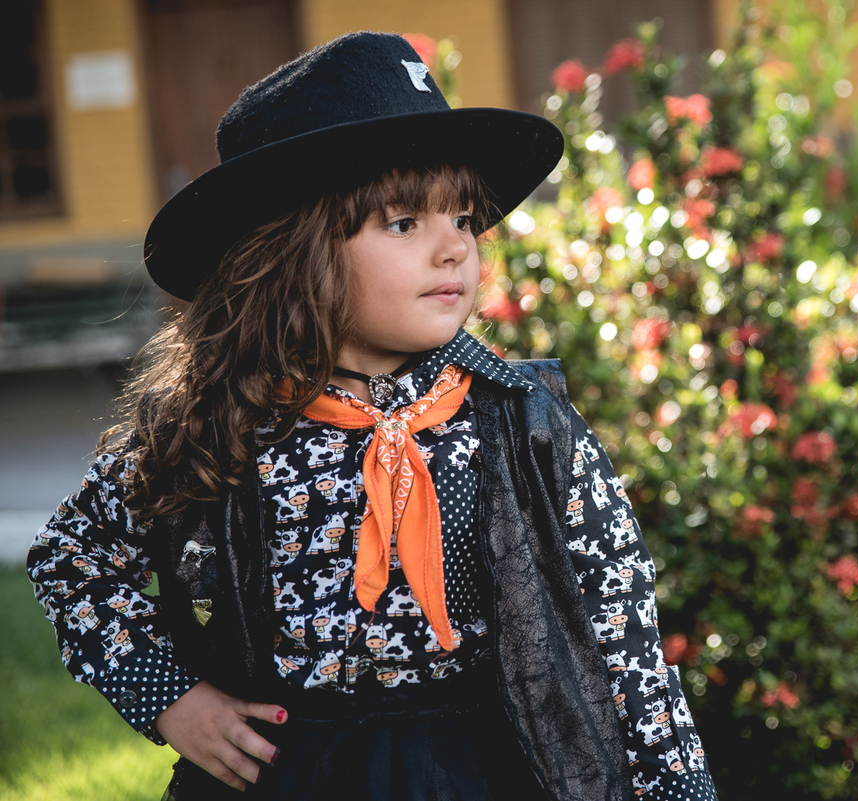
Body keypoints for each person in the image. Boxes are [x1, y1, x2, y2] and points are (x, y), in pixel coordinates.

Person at [27, 31, 716, 801]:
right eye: (403, 223)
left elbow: (620, 627)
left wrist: (676, 789)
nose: (453, 248)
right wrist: (170, 696)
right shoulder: (222, 421)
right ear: (294, 254)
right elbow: (73, 559)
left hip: (484, 769)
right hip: (293, 773)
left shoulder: (525, 423)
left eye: (464, 218)